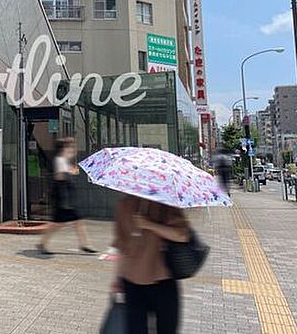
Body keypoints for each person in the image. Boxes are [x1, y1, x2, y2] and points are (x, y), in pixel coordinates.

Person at [112, 195, 189, 334]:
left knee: (166, 328)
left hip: (162, 280)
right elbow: (122, 247)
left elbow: (182, 235)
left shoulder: (166, 204)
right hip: (133, 281)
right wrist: (118, 278)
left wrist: (149, 224)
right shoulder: (124, 205)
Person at [38, 137, 97, 255]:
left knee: (76, 220)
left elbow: (69, 164)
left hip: (66, 197)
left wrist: (71, 170)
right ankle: (43, 243)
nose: (72, 150)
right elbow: (59, 177)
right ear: (63, 149)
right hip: (63, 197)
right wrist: (70, 172)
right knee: (58, 223)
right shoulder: (59, 160)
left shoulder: (63, 160)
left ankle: (84, 244)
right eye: (69, 147)